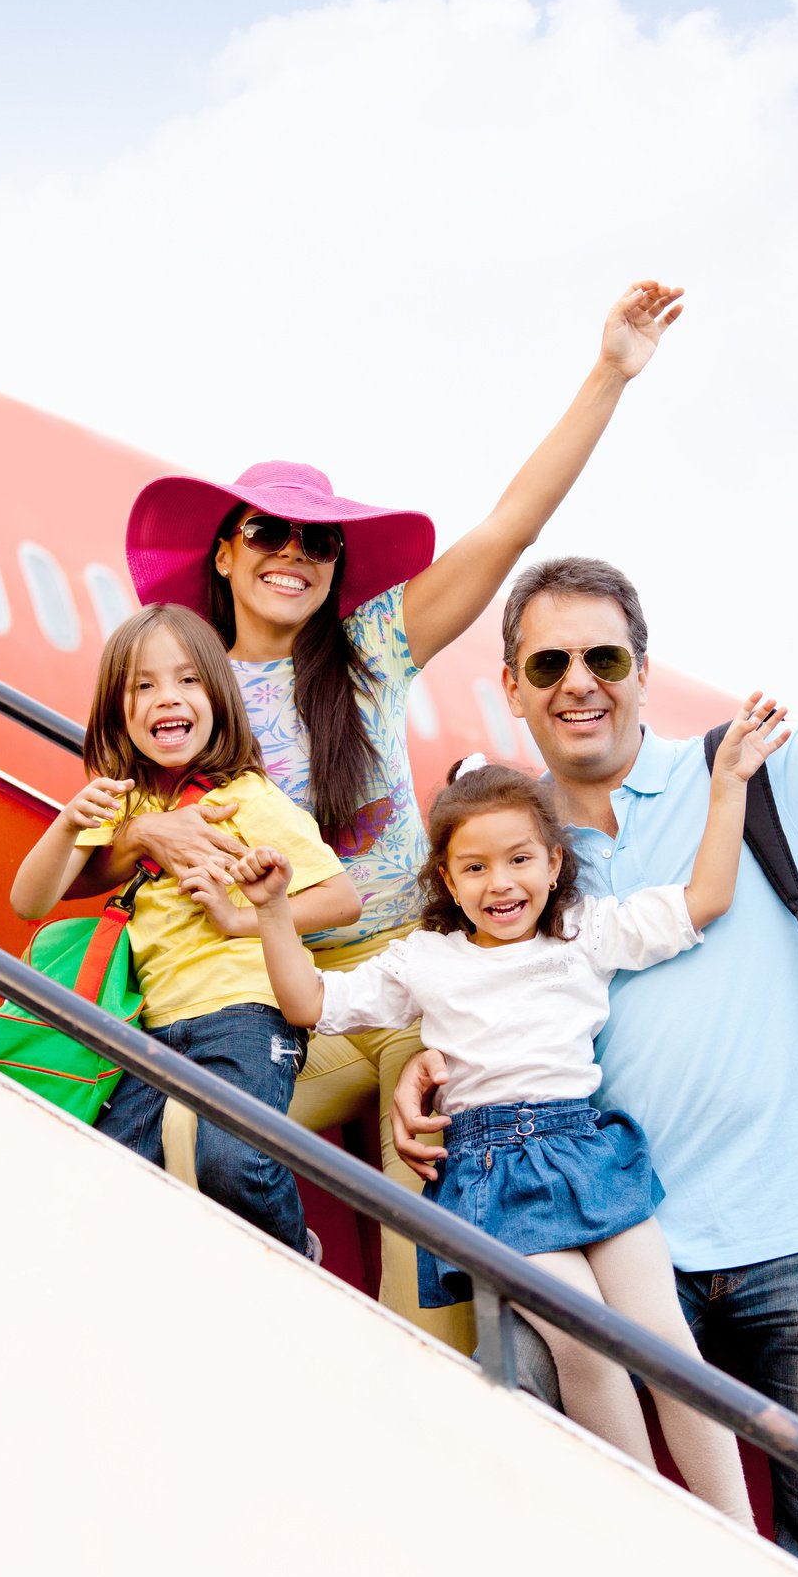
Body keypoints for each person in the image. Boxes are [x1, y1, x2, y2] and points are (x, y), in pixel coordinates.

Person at [392, 499, 798, 1577]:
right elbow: (450, 999)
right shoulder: (501, 857)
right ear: (510, 687)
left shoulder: (751, 777)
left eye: (601, 655)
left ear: (641, 671)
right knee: (569, 1544)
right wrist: (422, 1069)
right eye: (547, 661)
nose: (578, 680)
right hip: (600, 1236)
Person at [86, 279, 685, 1348]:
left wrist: (609, 372)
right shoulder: (182, 686)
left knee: (432, 1259)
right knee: (194, 1143)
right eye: (267, 532)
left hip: (423, 971)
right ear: (224, 550)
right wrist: (144, 832)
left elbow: (511, 527)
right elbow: (94, 831)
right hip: (295, 997)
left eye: (317, 542)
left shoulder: (370, 648)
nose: (293, 553)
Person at [228, 700, 793, 1527]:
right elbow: (310, 1000)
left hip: (582, 1145)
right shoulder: (426, 960)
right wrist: (276, 912)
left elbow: (705, 897)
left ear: (555, 861)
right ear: (448, 882)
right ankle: (658, 1535)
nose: (502, 884)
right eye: (476, 868)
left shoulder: (585, 935)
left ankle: (741, 1540)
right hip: (492, 1168)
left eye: (520, 859)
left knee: (668, 1344)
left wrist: (729, 784)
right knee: (581, 1342)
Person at [11, 603, 360, 1256]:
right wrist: (67, 823)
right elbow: (30, 900)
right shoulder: (124, 802)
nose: (165, 697)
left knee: (231, 1158)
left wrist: (248, 914)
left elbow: (341, 899)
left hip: (246, 1017)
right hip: (153, 1030)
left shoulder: (247, 798)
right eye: (142, 685)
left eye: (186, 680)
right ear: (118, 709)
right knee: (109, 1169)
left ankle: (296, 1250)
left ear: (219, 698)